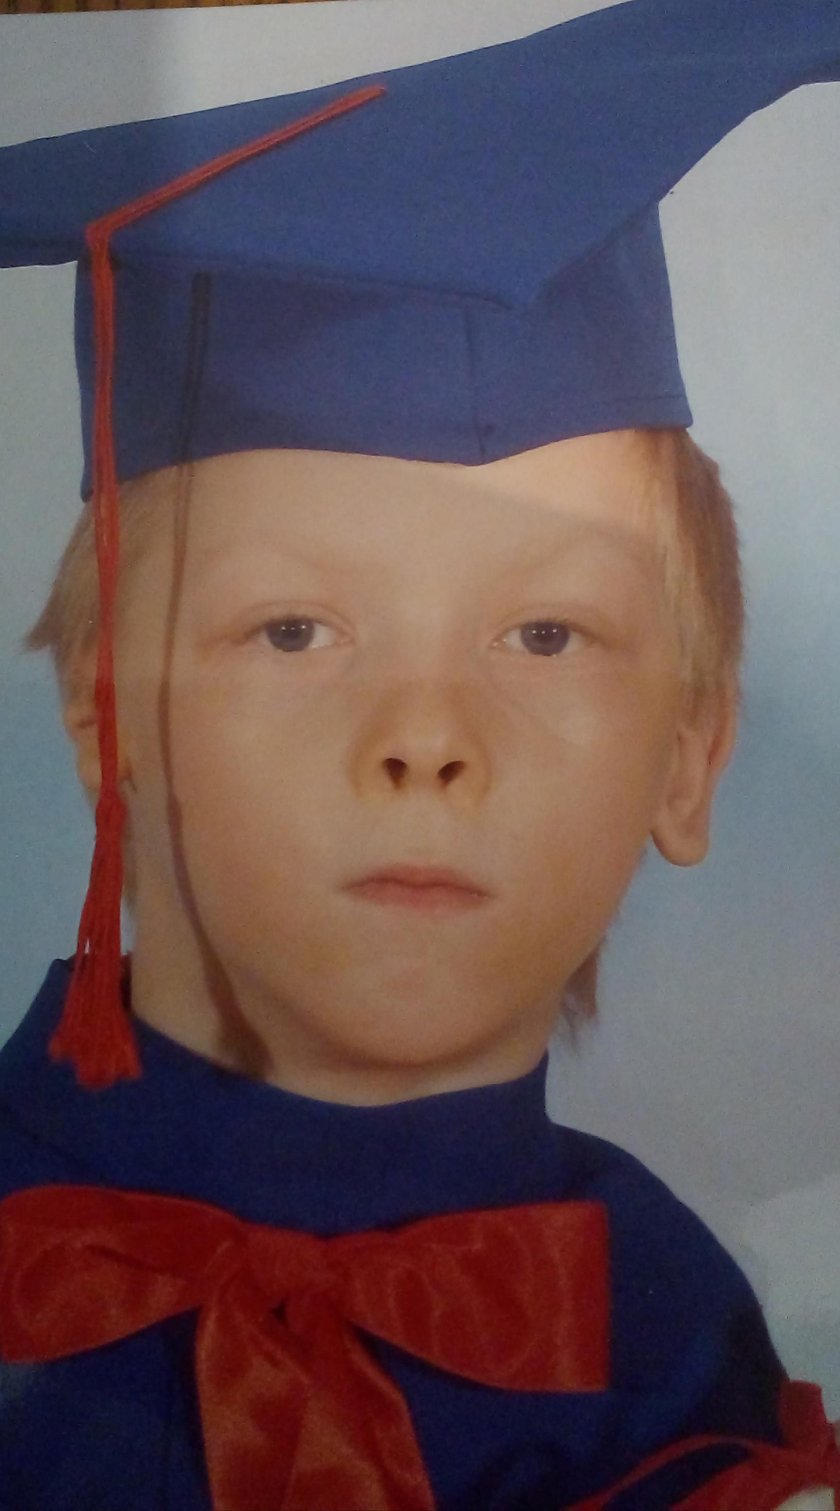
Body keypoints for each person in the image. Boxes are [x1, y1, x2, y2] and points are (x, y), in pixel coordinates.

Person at [0, 1, 838, 1507]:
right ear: (106, 720)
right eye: (294, 631)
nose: (427, 741)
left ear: (687, 761)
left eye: (546, 635)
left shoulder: (657, 1325)